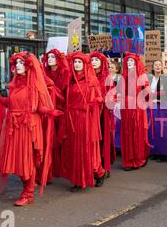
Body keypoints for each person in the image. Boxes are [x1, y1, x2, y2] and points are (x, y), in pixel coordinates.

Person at [0, 52, 61, 206]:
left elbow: (39, 107)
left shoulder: (34, 85)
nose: (17, 65)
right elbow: (12, 103)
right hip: (14, 126)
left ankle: (28, 192)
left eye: (21, 62)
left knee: (27, 160)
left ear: (28, 66)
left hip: (28, 126)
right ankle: (27, 187)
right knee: (16, 161)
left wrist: (51, 111)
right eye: (16, 62)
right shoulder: (15, 84)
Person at [60, 52, 108, 192]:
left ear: (85, 64)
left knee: (86, 150)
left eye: (79, 62)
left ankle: (99, 172)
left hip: (85, 119)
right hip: (71, 118)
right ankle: (77, 179)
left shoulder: (91, 81)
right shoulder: (70, 80)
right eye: (75, 62)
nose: (76, 64)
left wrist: (96, 102)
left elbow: (99, 100)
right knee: (74, 149)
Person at [119, 52, 151, 171]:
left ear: (136, 63)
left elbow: (147, 92)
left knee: (137, 133)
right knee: (127, 133)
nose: (129, 63)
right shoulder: (124, 76)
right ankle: (129, 159)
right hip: (126, 108)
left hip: (137, 108)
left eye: (131, 61)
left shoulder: (141, 76)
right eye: (127, 61)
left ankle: (139, 158)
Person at [42, 49, 70, 180]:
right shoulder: (45, 72)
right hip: (47, 109)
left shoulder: (65, 72)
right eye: (49, 57)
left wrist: (52, 89)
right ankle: (51, 168)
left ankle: (60, 168)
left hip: (60, 109)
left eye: (53, 56)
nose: (50, 59)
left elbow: (64, 93)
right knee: (49, 139)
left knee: (60, 139)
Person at [90, 52, 116, 176]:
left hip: (103, 115)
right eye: (92, 59)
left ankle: (104, 167)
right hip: (90, 115)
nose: (93, 61)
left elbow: (113, 97)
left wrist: (103, 100)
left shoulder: (107, 78)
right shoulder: (87, 76)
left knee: (103, 141)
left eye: (96, 59)